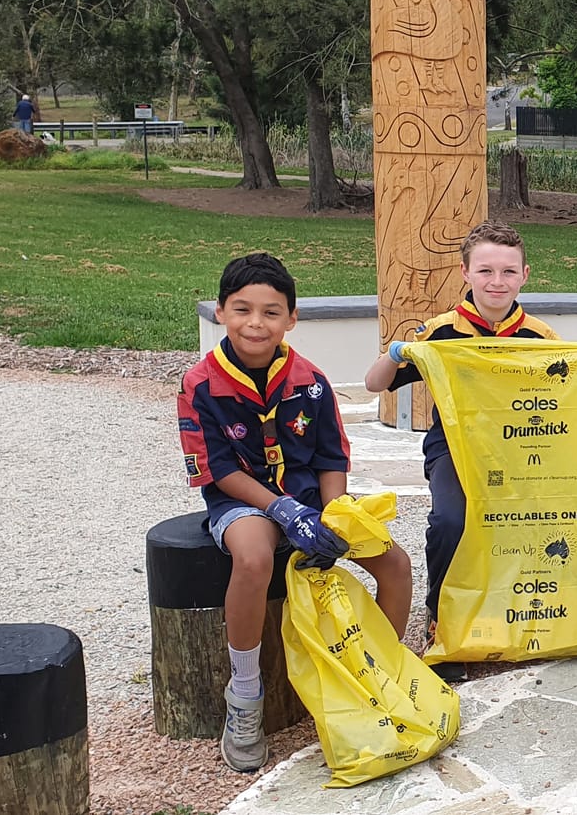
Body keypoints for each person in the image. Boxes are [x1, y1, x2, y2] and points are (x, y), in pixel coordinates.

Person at [177, 253, 412, 773]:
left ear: (291, 318)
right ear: (220, 312)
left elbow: (331, 455)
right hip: (244, 501)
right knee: (256, 558)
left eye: (271, 311)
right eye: (242, 310)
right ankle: (244, 692)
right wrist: (283, 510)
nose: (255, 323)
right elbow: (217, 469)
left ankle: (382, 673)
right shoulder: (201, 384)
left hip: (311, 498)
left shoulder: (309, 380)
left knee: (393, 562)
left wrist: (333, 514)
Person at [365, 222, 577, 680]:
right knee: (450, 521)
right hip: (455, 451)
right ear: (465, 273)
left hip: (524, 451)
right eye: (485, 271)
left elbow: (571, 400)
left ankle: (574, 610)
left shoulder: (541, 337)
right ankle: (442, 620)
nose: (496, 282)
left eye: (508, 271)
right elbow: (375, 384)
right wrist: (399, 352)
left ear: (525, 275)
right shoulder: (439, 332)